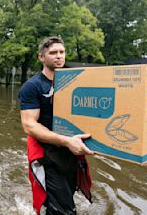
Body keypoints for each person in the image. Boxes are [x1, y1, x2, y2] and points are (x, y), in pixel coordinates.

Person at [19, 36, 93, 214]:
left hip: (70, 151)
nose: (59, 56)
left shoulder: (74, 83)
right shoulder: (32, 86)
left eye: (62, 52)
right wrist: (66, 141)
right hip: (47, 154)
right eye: (53, 53)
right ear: (41, 57)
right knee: (63, 211)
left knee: (67, 197)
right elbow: (29, 125)